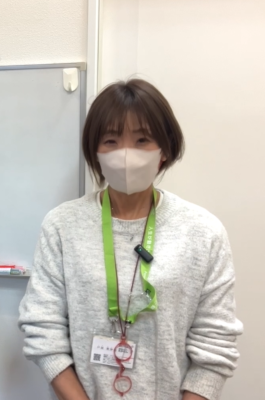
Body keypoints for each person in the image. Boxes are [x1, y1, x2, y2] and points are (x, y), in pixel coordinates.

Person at [18, 79, 242, 400]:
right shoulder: (62, 225)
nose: (125, 154)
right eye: (110, 140)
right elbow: (44, 331)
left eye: (142, 140)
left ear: (164, 149)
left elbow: (215, 343)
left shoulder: (203, 231)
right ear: (95, 152)